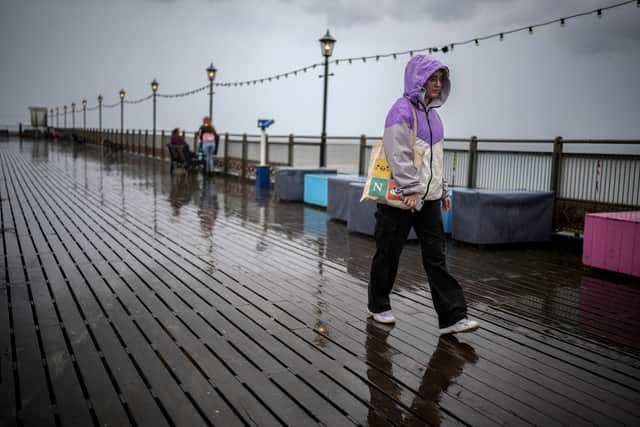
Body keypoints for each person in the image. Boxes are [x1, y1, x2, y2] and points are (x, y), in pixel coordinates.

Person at [367, 54, 479, 335]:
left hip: (427, 200)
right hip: (402, 199)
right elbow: (397, 153)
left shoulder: (435, 117)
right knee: (388, 254)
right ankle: (378, 305)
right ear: (418, 80)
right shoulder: (401, 110)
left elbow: (435, 159)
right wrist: (409, 190)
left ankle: (453, 317)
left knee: (436, 257)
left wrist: (443, 191)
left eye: (440, 79)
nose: (437, 84)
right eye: (432, 79)